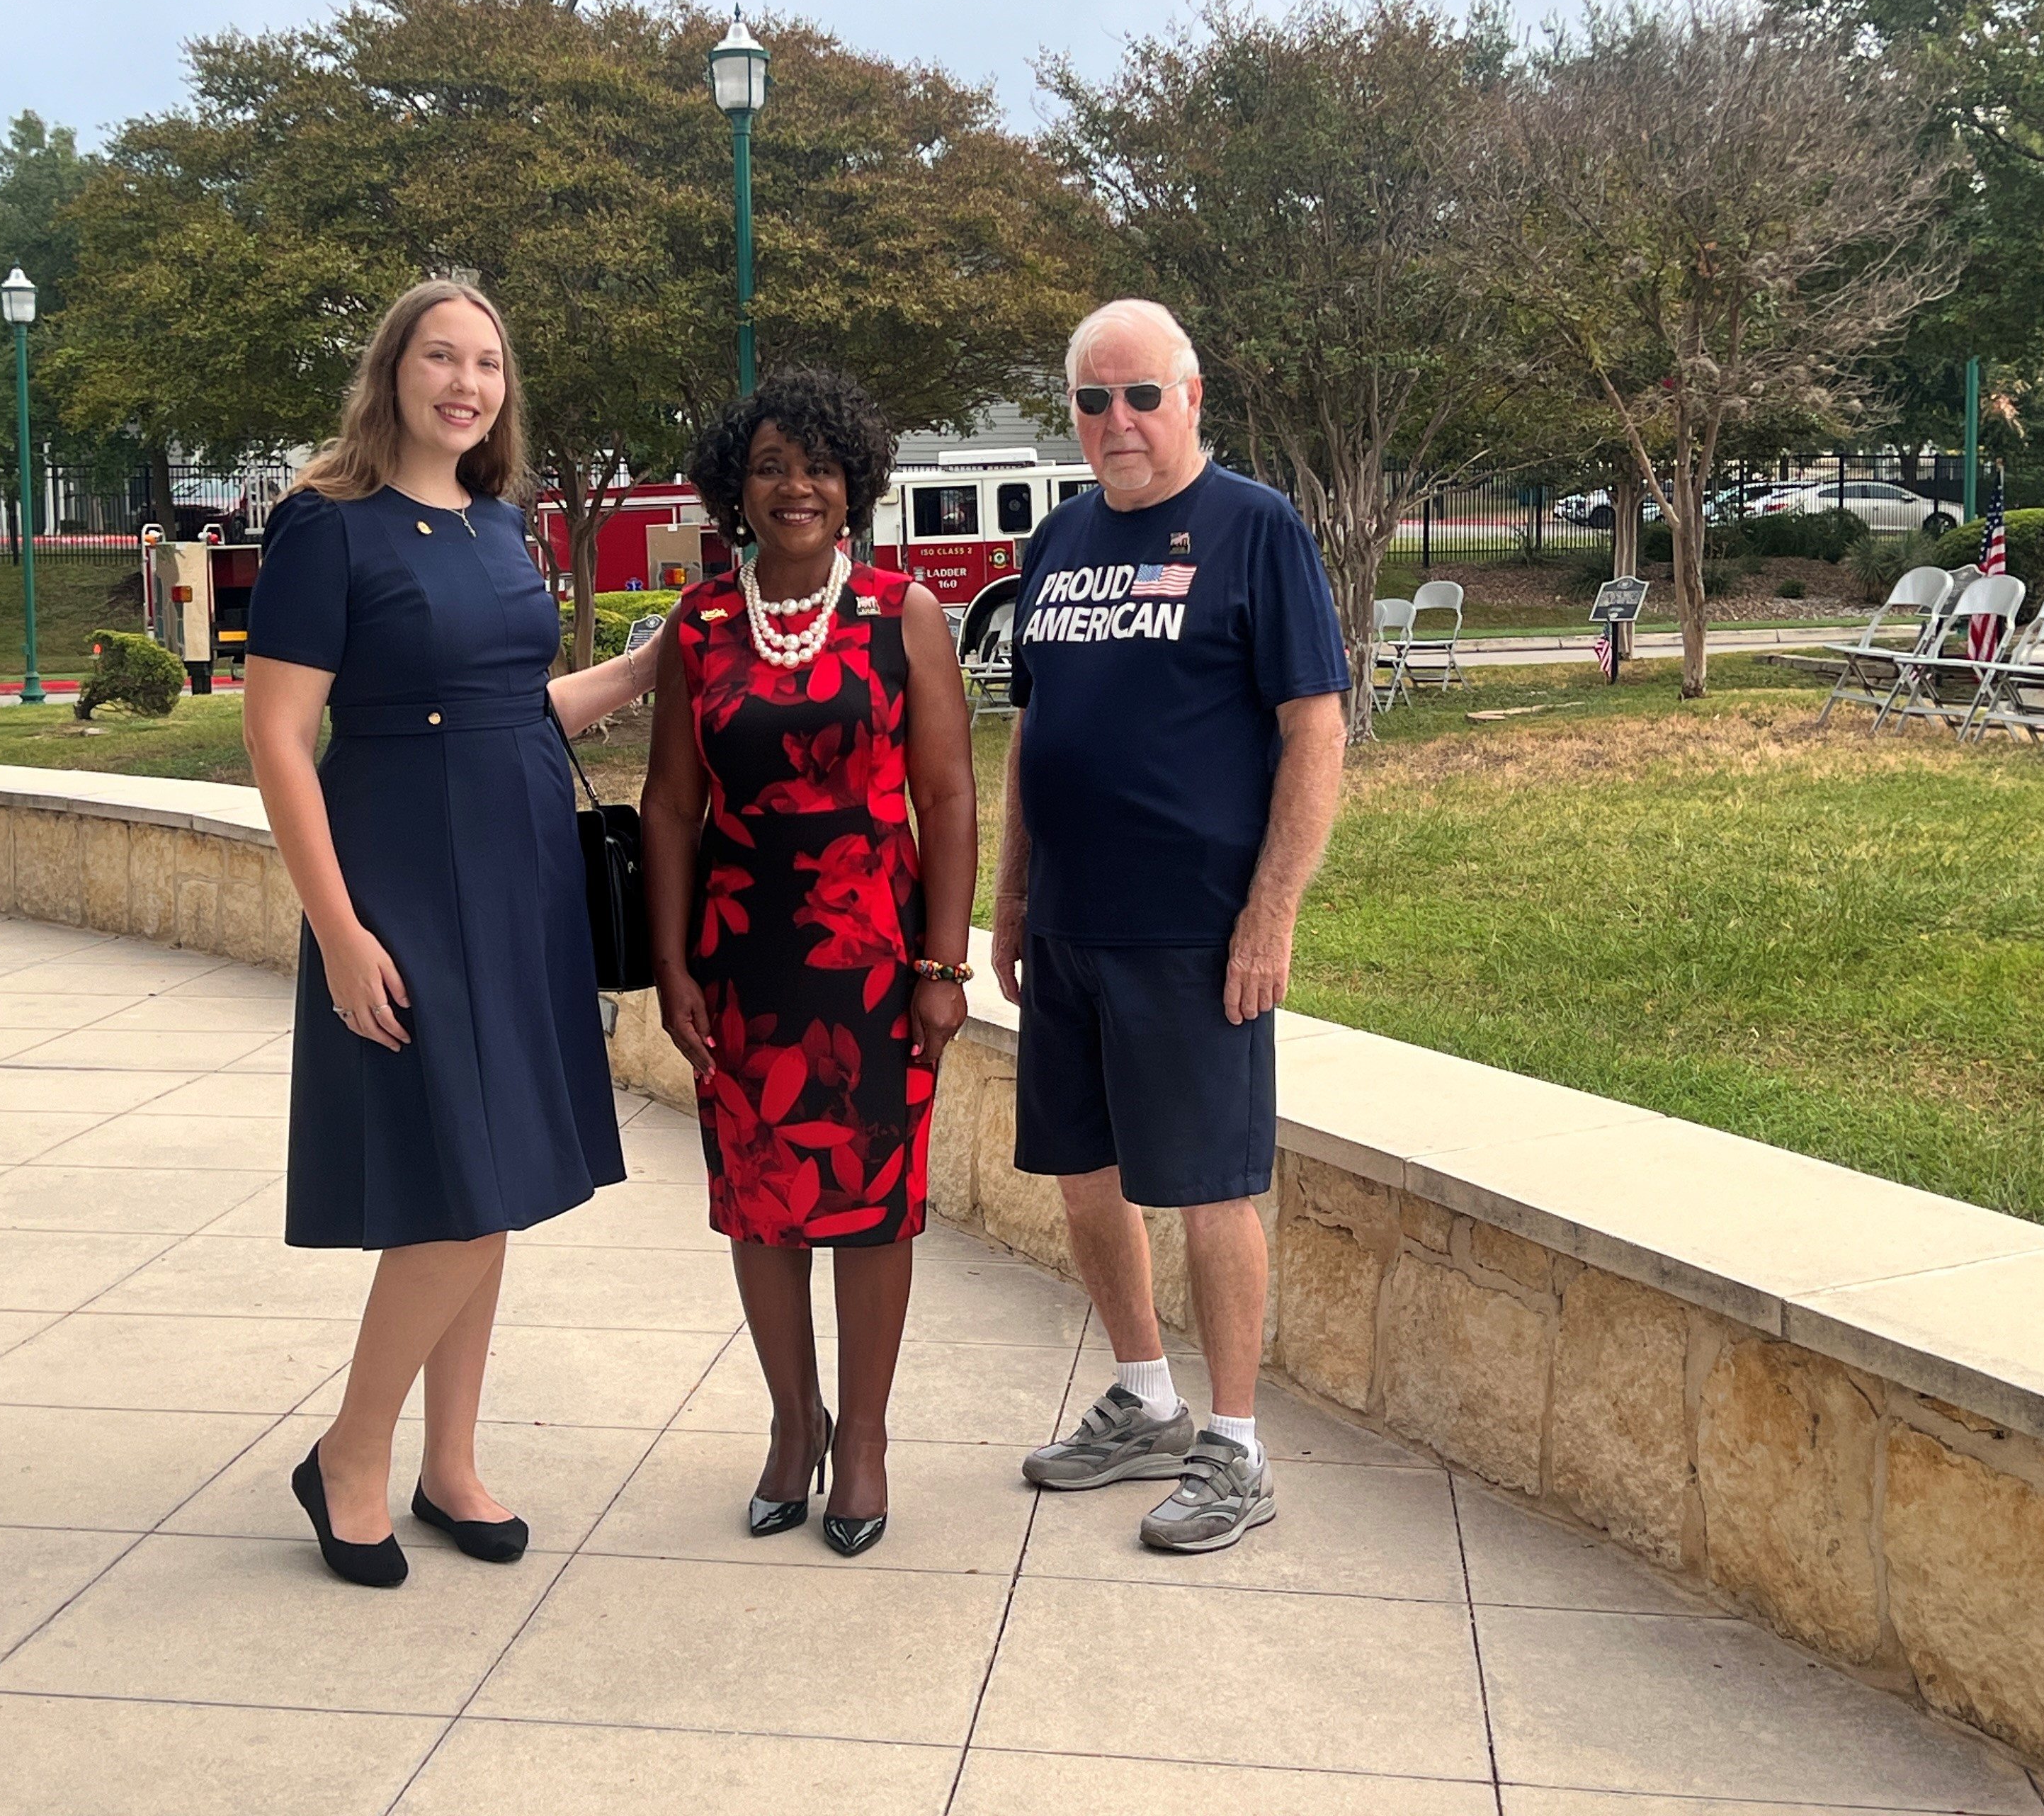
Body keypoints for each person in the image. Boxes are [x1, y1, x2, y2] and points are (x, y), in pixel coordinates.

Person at [240, 278, 660, 1589]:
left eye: (486, 362)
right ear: (394, 372)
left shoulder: (499, 524)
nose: (465, 382)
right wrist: (340, 928)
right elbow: (275, 736)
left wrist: (653, 664)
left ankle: (450, 1460)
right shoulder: (326, 525)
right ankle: (349, 1453)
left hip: (523, 870)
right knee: (460, 1187)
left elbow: (519, 706)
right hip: (404, 880)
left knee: (499, 1180)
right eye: (441, 356)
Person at [994, 297, 1348, 1554]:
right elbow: (1035, 727)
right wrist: (1011, 891)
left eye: (1142, 394)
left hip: (1195, 930)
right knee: (1085, 1175)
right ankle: (1144, 1393)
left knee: (1207, 1187)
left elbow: (1314, 726)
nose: (1119, 421)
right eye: (1094, 400)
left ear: (1192, 396)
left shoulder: (1255, 529)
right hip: (1075, 928)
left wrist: (1271, 911)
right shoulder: (1059, 540)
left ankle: (1237, 1447)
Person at [640, 370, 977, 1558]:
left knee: (873, 1206)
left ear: (854, 487)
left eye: (821, 464)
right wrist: (670, 960)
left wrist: (946, 961)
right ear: (738, 484)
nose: (798, 484)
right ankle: (795, 1422)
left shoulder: (903, 614)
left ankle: (868, 1436)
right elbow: (671, 804)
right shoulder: (698, 624)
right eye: (774, 462)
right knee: (760, 1204)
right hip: (742, 954)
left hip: (875, 956)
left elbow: (944, 791)